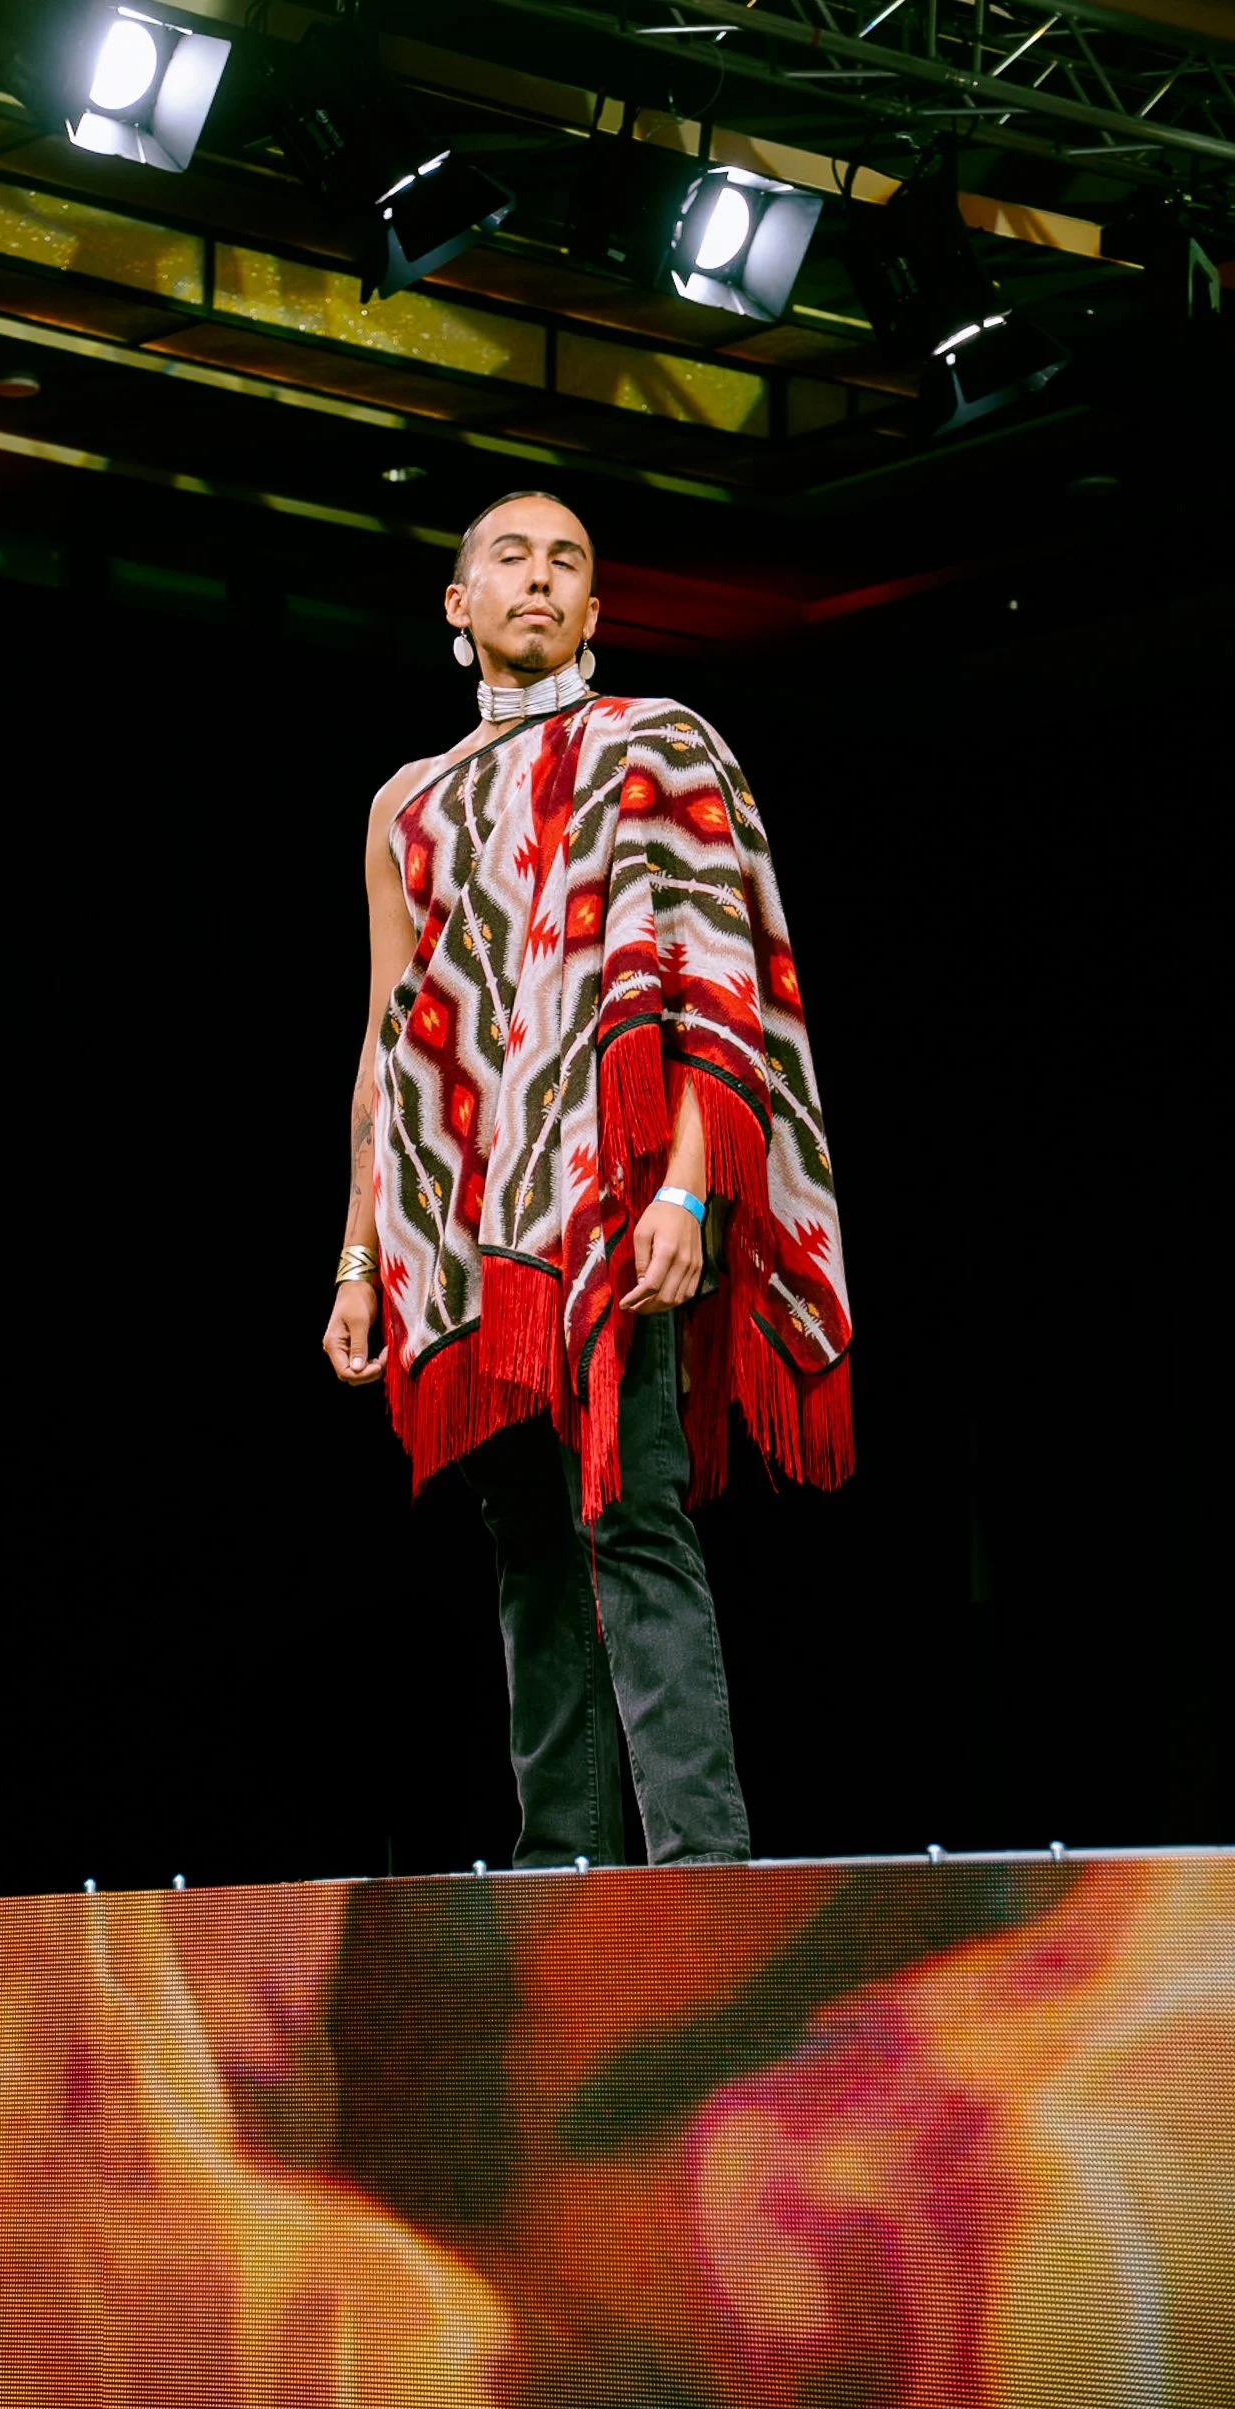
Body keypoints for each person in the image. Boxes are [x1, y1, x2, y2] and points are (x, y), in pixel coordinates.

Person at [322, 491, 852, 1869]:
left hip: (615, 1203)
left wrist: (689, 1191)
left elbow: (716, 985)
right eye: (508, 556)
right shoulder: (406, 804)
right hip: (471, 1228)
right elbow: (390, 1037)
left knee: (634, 1511)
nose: (538, 579)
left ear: (598, 610)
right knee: (529, 1554)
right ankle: (564, 1874)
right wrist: (360, 1258)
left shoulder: (655, 745)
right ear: (458, 605)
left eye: (567, 562)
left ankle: (699, 1877)